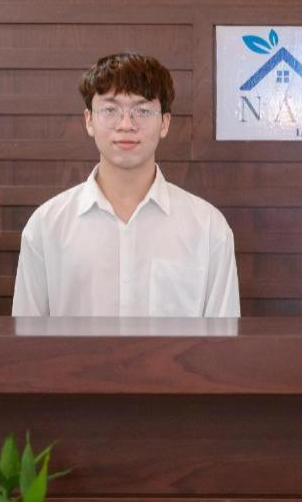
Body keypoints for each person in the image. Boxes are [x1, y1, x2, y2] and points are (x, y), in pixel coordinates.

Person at [12, 53, 240, 317]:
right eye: (110, 110)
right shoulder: (46, 225)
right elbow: (26, 335)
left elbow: (224, 337)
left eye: (142, 111)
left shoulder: (208, 228)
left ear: (165, 123)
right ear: (89, 120)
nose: (126, 125)